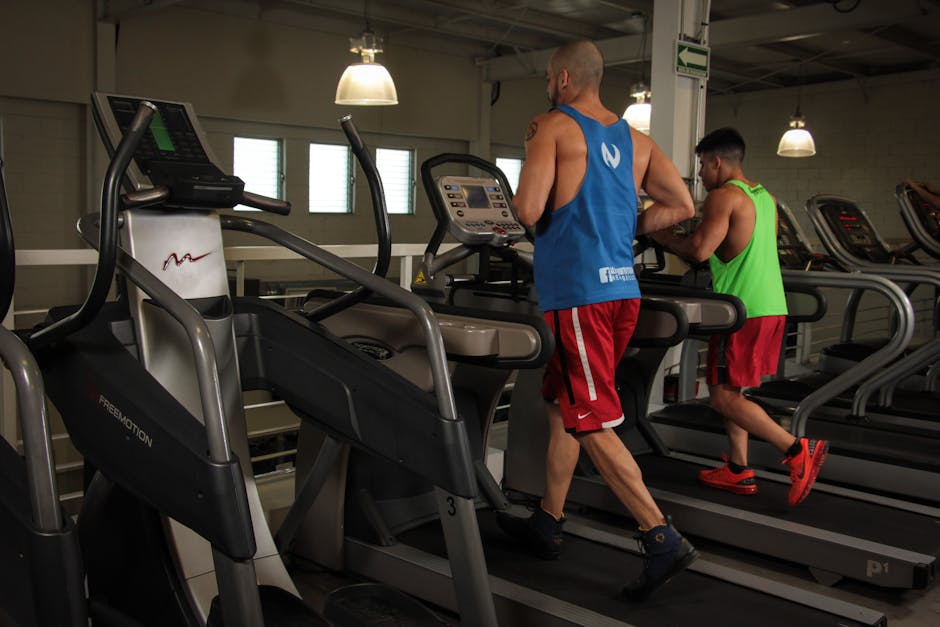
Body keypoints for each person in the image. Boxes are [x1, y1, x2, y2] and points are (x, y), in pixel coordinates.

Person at [497, 39, 698, 601]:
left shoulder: (550, 125)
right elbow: (681, 205)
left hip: (579, 295)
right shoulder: (637, 140)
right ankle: (547, 520)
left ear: (562, 78)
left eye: (545, 74)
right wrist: (621, 229)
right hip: (621, 293)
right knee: (564, 406)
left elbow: (530, 210)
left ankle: (660, 537)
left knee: (589, 419)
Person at [650, 127, 829, 507]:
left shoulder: (722, 196)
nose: (700, 174)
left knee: (721, 397)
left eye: (701, 165)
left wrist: (663, 237)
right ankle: (737, 469)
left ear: (716, 162)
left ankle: (797, 450)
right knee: (733, 391)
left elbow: (699, 251)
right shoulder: (765, 197)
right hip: (772, 307)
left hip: (741, 310)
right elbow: (736, 247)